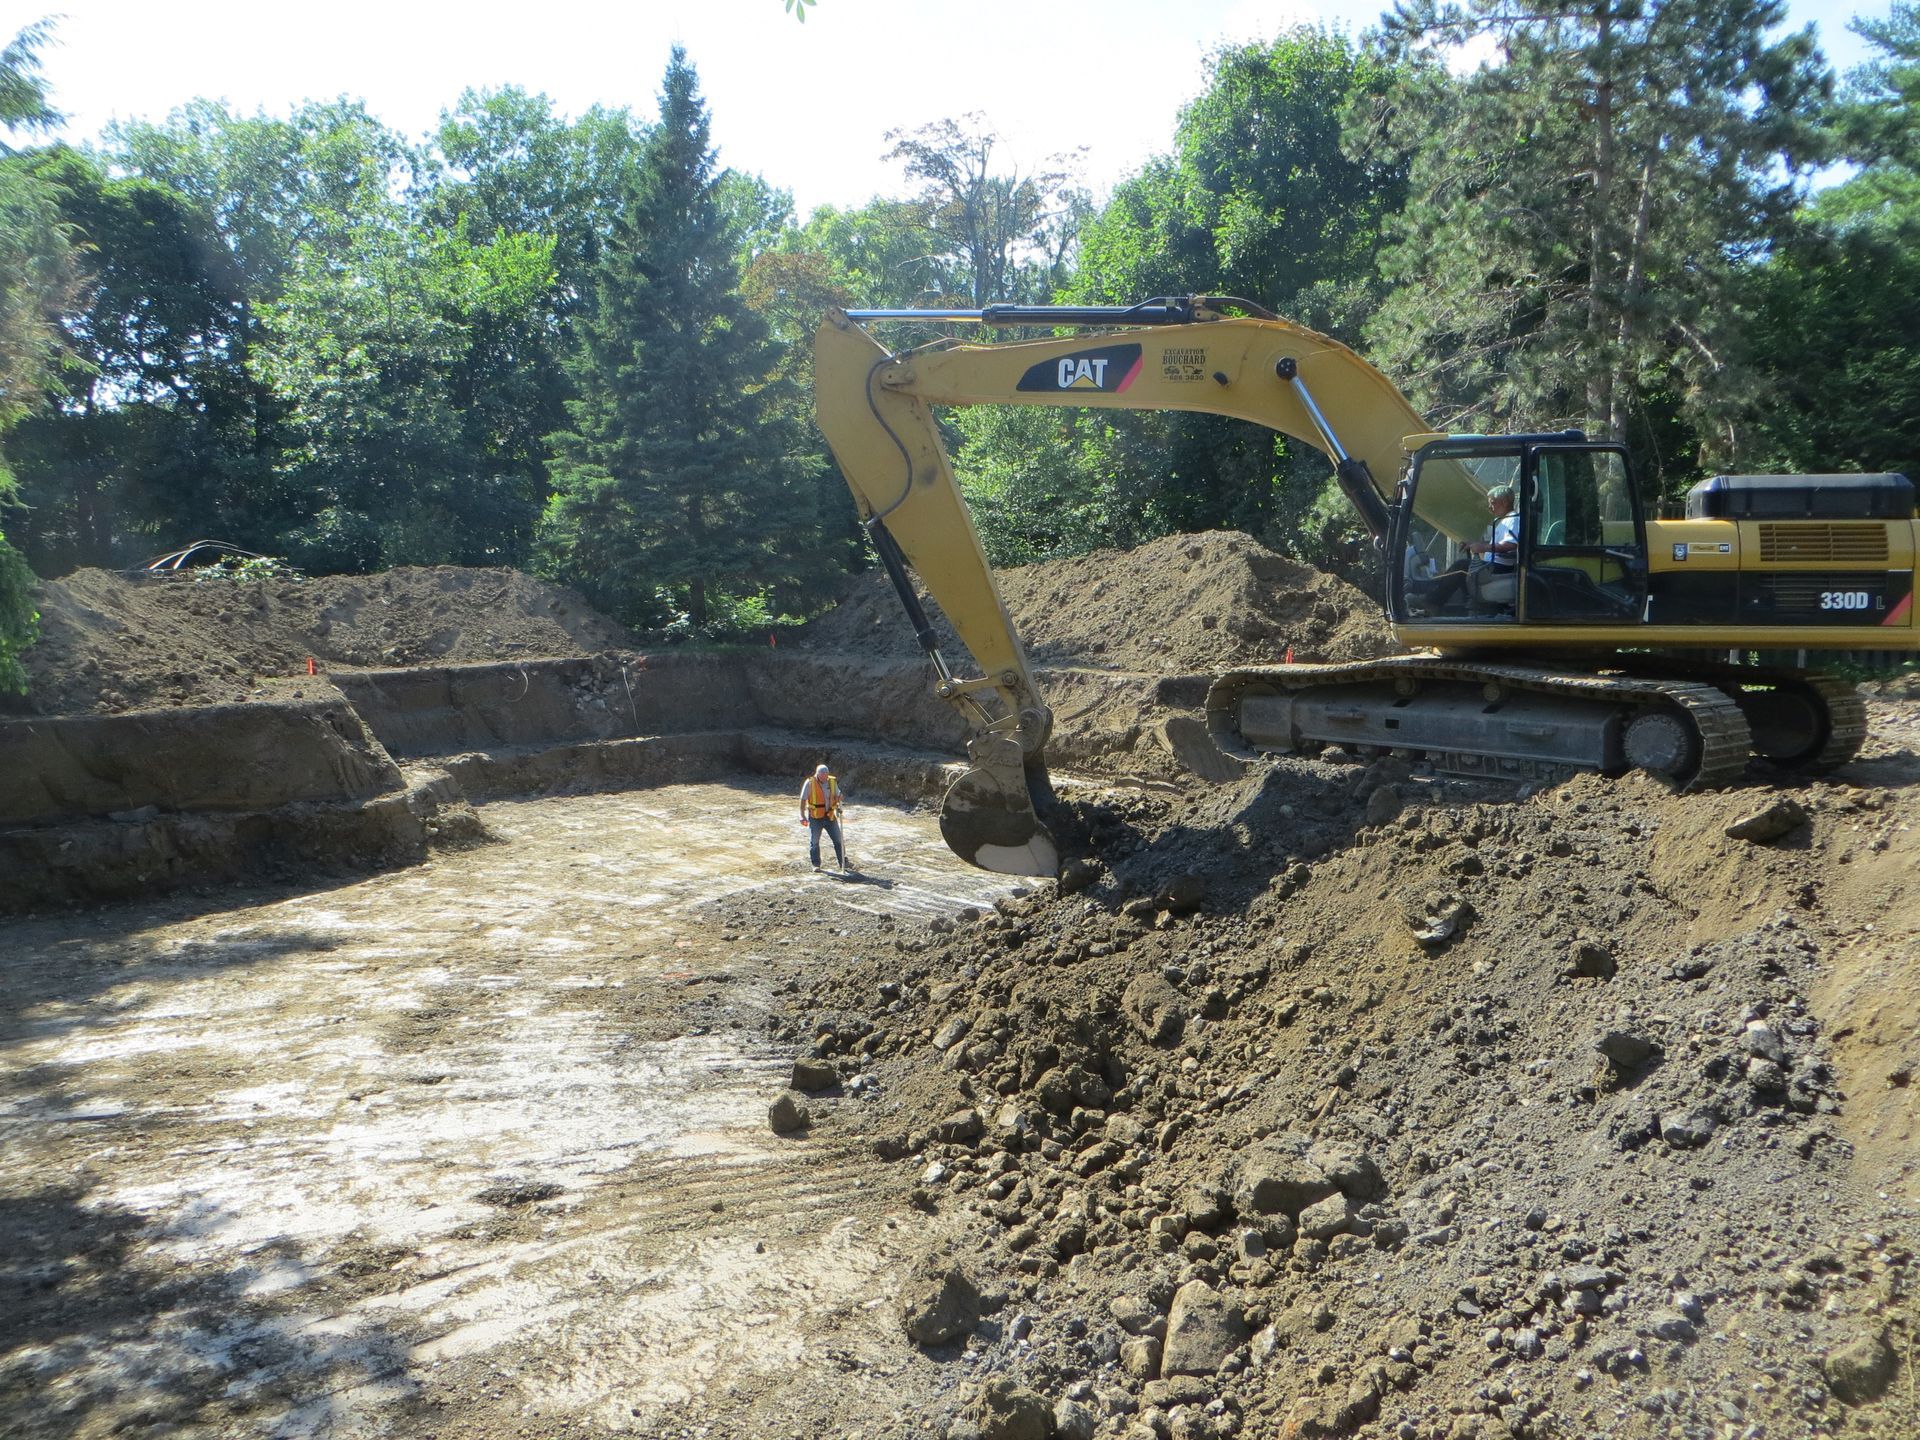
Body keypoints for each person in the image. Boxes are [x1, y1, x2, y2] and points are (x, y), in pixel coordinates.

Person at [1412, 484, 1519, 611]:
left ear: (1505, 501)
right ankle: (1466, 605)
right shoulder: (1503, 520)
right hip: (1491, 565)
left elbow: (1511, 545)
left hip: (1499, 567)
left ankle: (1432, 602)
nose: (1490, 507)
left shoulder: (1513, 520)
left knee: (1460, 567)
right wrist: (1472, 544)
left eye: (1493, 503)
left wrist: (1482, 547)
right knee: (1463, 570)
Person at [800, 763, 847, 871]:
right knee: (815, 841)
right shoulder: (810, 783)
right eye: (822, 778)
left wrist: (839, 797)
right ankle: (816, 864)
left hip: (830, 816)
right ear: (817, 774)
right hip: (815, 817)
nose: (824, 779)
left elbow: (839, 794)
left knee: (838, 840)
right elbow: (803, 800)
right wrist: (802, 815)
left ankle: (843, 862)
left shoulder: (831, 782)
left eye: (826, 777)